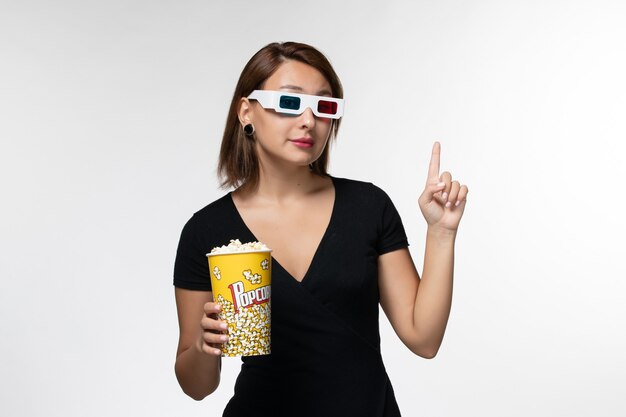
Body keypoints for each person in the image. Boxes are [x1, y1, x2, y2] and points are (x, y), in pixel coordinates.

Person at [173, 41, 468, 417]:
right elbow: (197, 387)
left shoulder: (367, 207)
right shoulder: (207, 230)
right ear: (246, 111)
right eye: (290, 103)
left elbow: (423, 339)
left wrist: (441, 233)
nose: (309, 121)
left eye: (324, 107)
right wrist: (204, 345)